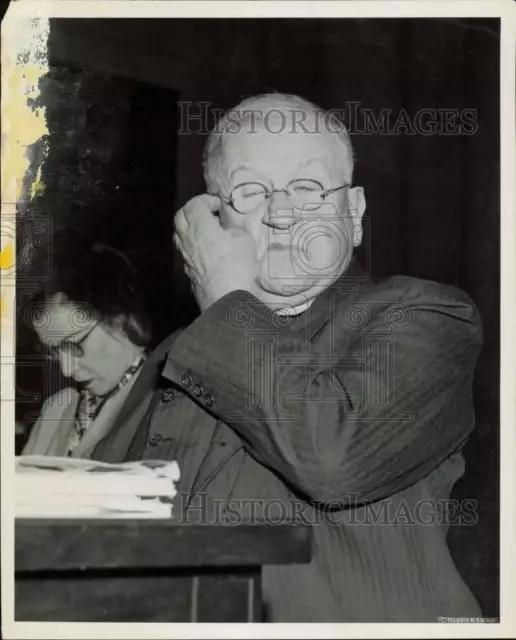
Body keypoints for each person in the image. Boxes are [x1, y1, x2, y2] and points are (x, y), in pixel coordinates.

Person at [91, 93, 483, 622]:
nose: (281, 215)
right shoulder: (171, 355)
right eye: (250, 191)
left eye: (307, 187)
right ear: (213, 218)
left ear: (355, 212)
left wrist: (229, 297)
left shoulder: (425, 316)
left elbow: (333, 457)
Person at [22, 236, 152, 458]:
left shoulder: (161, 405)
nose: (66, 370)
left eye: (74, 344)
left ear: (119, 318)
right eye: (54, 350)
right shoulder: (57, 410)